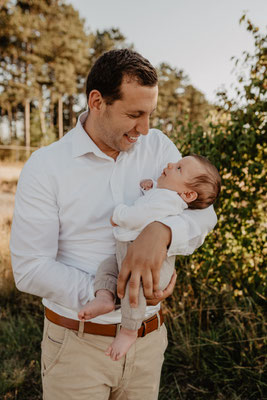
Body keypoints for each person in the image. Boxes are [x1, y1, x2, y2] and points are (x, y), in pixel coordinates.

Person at [10, 49, 217, 400]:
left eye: (150, 114)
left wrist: (162, 232)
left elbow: (203, 212)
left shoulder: (159, 148)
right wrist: (115, 293)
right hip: (77, 348)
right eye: (134, 114)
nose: (145, 128)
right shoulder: (46, 166)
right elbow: (30, 268)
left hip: (149, 343)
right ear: (97, 101)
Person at [78, 155, 221, 361]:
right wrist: (151, 186)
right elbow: (155, 200)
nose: (171, 164)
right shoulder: (167, 196)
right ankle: (105, 298)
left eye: (179, 168)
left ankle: (129, 330)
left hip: (149, 263)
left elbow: (139, 214)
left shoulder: (168, 200)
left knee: (132, 287)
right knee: (107, 268)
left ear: (188, 194)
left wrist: (118, 215)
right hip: (126, 252)